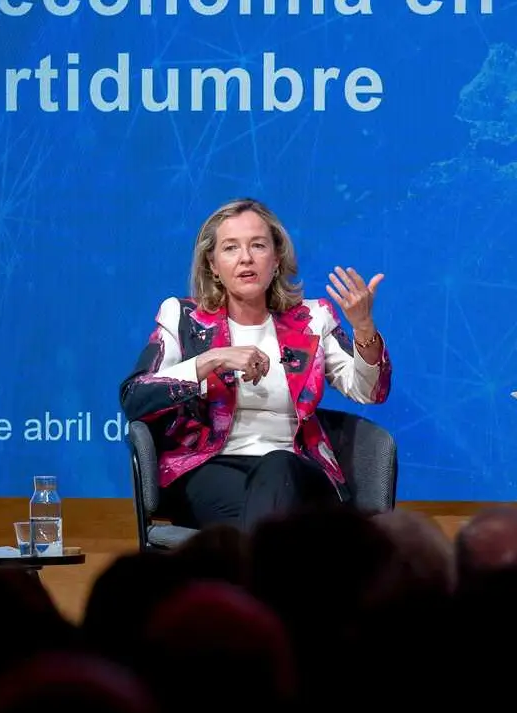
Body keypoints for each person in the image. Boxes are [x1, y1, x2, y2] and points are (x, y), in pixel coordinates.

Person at [120, 198, 392, 532]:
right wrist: (211, 359)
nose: (246, 258)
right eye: (231, 248)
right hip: (210, 471)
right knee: (283, 526)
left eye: (258, 246)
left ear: (276, 260)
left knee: (277, 470)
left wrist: (363, 326)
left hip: (298, 472)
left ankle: (250, 577)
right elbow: (135, 399)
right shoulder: (183, 319)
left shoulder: (312, 319)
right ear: (213, 265)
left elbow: (371, 391)